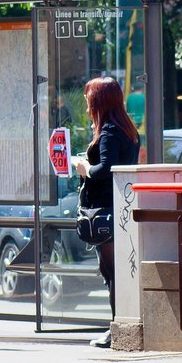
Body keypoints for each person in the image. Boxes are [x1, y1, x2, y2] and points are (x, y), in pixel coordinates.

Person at [76, 75, 141, 347]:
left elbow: (105, 169)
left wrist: (83, 169)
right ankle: (118, 325)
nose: (86, 105)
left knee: (112, 271)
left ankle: (116, 328)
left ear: (98, 102)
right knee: (118, 272)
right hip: (122, 208)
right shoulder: (127, 129)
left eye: (88, 100)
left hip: (107, 211)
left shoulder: (109, 132)